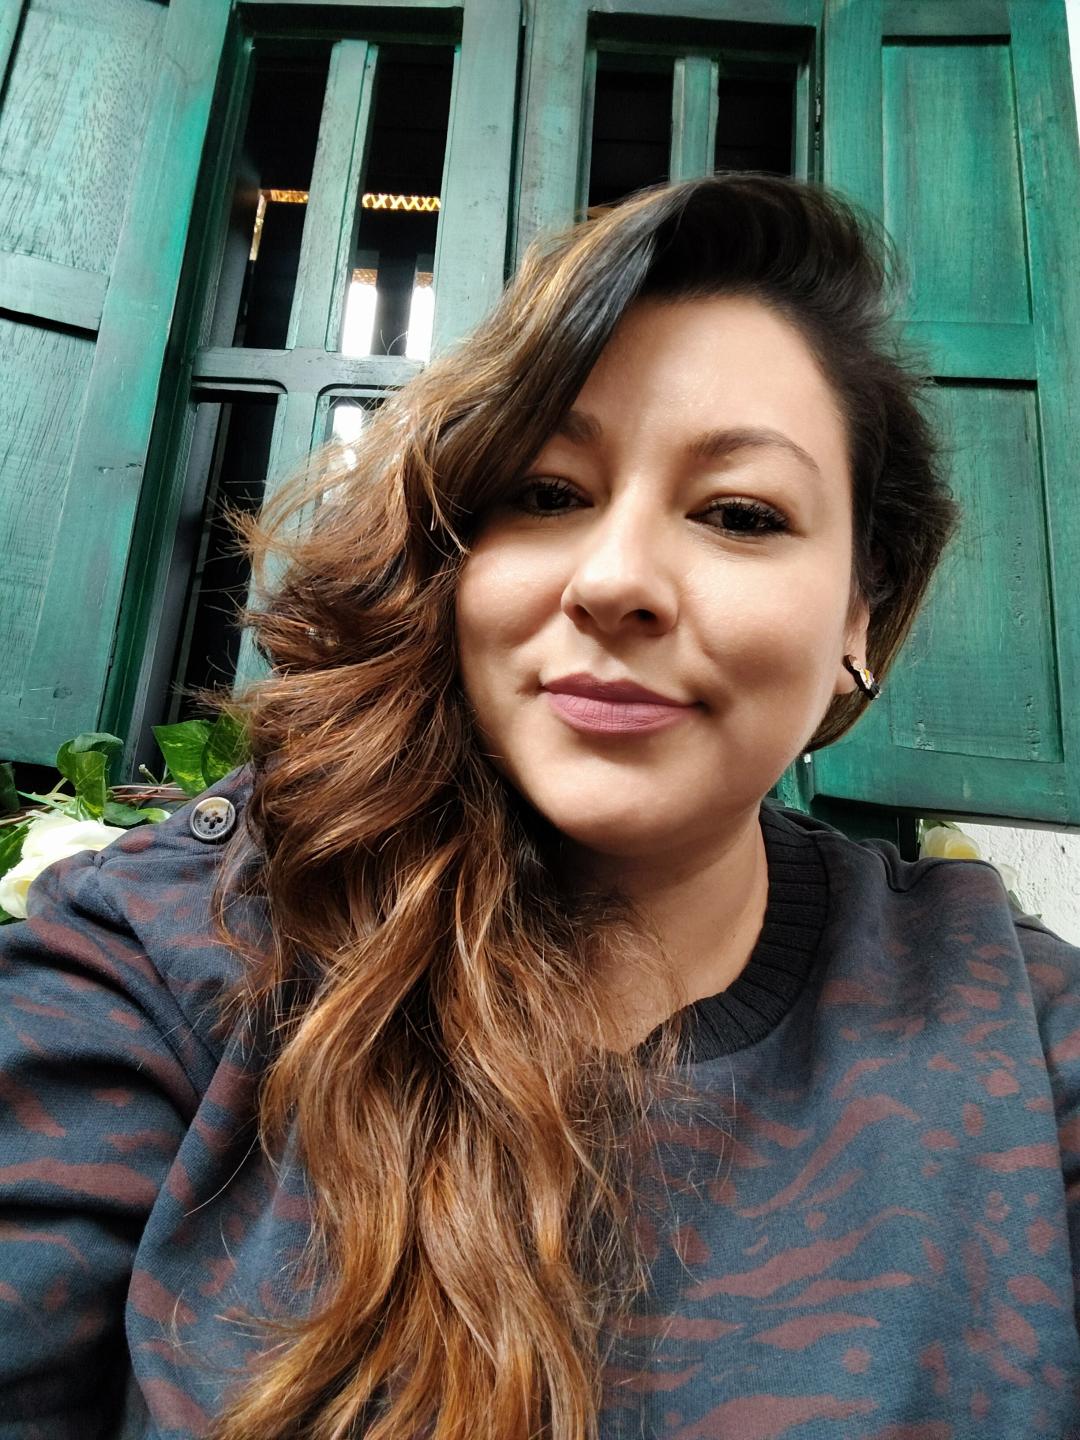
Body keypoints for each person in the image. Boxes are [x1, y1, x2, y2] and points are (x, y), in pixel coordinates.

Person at [1, 173, 1078, 1440]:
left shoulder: (1015, 1029)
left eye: (739, 514)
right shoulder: (179, 948)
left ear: (859, 610)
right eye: (548, 493)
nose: (615, 581)